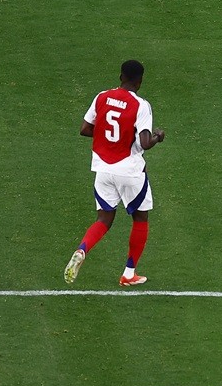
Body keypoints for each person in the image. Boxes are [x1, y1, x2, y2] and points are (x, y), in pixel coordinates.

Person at [64, 60, 165, 286]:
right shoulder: (141, 105)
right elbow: (145, 142)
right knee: (140, 218)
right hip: (129, 169)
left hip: (103, 169)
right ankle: (129, 273)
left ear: (120, 76)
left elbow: (85, 129)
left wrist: (108, 138)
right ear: (140, 81)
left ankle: (82, 249)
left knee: (104, 218)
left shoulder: (102, 97)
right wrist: (159, 136)